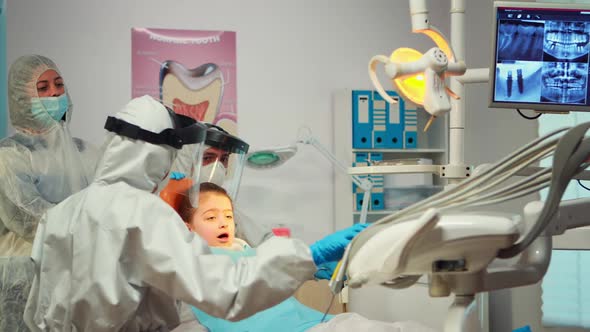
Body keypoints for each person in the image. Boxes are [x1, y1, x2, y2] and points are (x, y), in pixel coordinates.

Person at [24, 95, 367, 332]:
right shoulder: (143, 214)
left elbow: (35, 310)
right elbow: (226, 287)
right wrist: (309, 256)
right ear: (159, 154)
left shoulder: (60, 213)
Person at [0, 55, 98, 331]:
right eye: (42, 88)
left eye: (58, 84)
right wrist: (85, 224)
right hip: (24, 277)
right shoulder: (9, 156)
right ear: (21, 98)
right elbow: (28, 217)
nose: (54, 93)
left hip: (77, 273)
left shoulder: (88, 153)